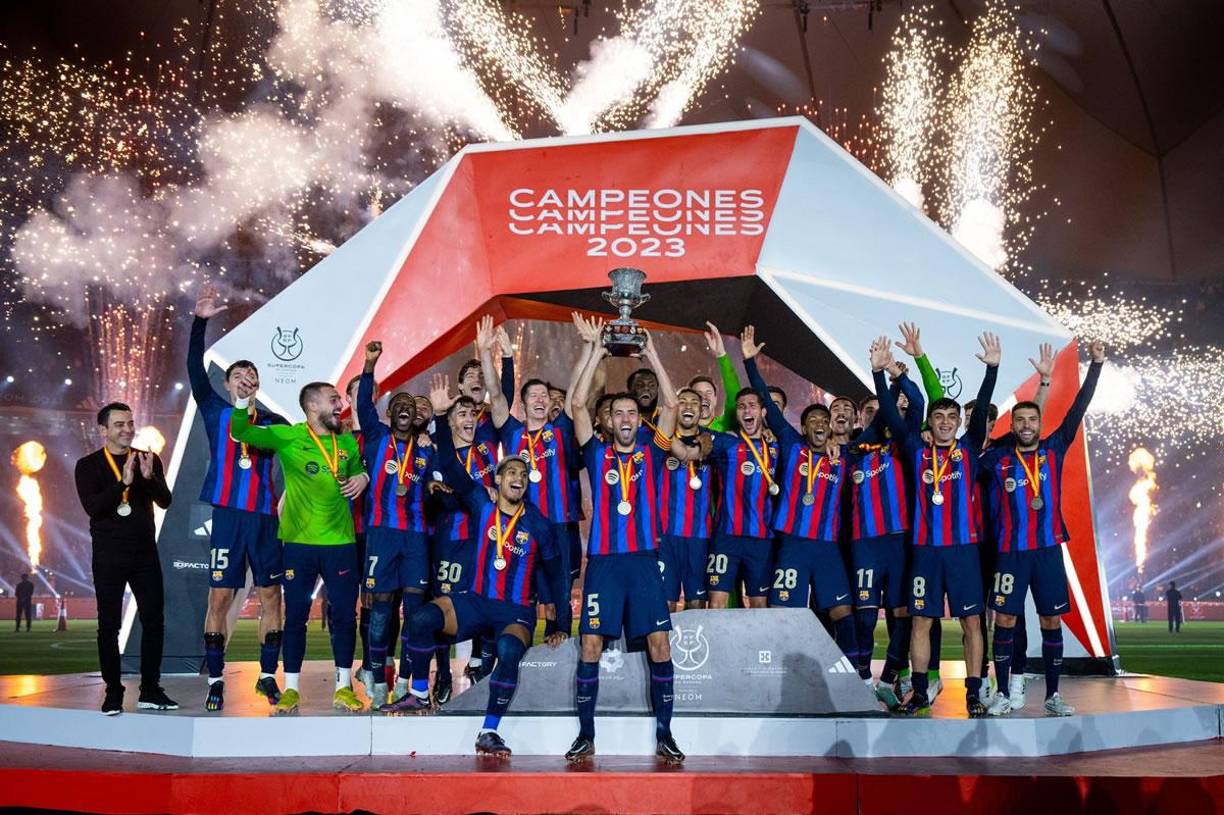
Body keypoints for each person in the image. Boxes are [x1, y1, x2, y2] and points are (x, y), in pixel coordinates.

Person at [398, 414, 569, 757]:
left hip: (515, 612)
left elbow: (557, 572)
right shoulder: (481, 504)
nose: (518, 477)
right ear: (498, 479)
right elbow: (449, 462)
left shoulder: (539, 524)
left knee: (507, 653)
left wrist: (558, 622)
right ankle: (418, 692)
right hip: (475, 603)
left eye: (523, 474)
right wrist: (443, 421)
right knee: (419, 619)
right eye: (511, 473)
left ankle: (489, 730)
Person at [565, 313, 683, 763]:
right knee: (591, 645)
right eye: (618, 413)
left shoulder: (654, 451)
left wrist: (651, 353)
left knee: (660, 645)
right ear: (609, 421)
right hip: (606, 563)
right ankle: (586, 735)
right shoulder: (595, 451)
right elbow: (577, 407)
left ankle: (666, 734)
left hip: (644, 560)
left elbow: (670, 406)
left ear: (639, 418)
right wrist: (595, 349)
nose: (627, 418)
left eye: (633, 412)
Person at [872, 331, 1000, 717]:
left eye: (952, 417)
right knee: (920, 624)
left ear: (961, 423)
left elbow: (982, 410)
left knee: (973, 624)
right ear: (929, 421)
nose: (945, 422)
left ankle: (974, 692)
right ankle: (922, 691)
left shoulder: (969, 447)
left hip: (963, 551)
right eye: (939, 417)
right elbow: (892, 414)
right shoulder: (914, 449)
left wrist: (992, 369)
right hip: (925, 552)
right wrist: (880, 374)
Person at [231, 382, 370, 715]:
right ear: (311, 405)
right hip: (298, 544)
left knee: (345, 619)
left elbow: (358, 470)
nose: (340, 405)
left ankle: (343, 688)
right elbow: (240, 432)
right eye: (334, 399)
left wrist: (363, 477)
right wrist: (241, 400)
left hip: (340, 543)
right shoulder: (288, 436)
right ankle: (291, 688)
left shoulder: (347, 441)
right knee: (294, 617)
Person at [982, 340, 1104, 718]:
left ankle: (1052, 694)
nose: (1027, 425)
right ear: (1012, 426)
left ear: (1039, 423)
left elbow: (1078, 408)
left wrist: (1096, 366)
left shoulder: (1056, 447)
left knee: (1051, 620)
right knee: (1005, 619)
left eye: (1032, 420)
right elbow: (972, 442)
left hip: (1048, 550)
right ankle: (1002, 693)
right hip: (1010, 552)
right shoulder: (998, 457)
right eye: (1019, 421)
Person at [190, 283, 289, 712]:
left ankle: (267, 677)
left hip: (264, 518)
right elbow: (195, 367)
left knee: (271, 598)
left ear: (258, 383)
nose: (247, 378)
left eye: (253, 374)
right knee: (220, 599)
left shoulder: (273, 421)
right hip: (228, 515)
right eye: (239, 374)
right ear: (229, 383)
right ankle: (215, 679)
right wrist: (200, 322)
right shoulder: (215, 411)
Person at [739, 327, 857, 661]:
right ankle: (780, 674)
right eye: (813, 420)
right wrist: (750, 361)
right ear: (803, 428)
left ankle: (854, 676)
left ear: (830, 427)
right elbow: (767, 405)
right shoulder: (791, 447)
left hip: (827, 547)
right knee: (784, 611)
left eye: (825, 420)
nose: (820, 424)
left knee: (841, 611)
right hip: (792, 544)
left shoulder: (843, 455)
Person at [74, 402, 178, 715]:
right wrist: (124, 482)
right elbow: (94, 507)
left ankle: (150, 689)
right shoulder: (88, 465)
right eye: (119, 424)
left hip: (145, 552)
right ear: (103, 430)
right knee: (108, 626)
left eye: (130, 423)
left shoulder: (148, 458)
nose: (127, 429)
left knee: (154, 622)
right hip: (108, 555)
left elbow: (165, 501)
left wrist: (148, 478)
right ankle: (114, 691)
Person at [355, 341, 437, 712]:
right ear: (390, 414)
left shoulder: (427, 447)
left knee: (416, 613)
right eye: (398, 406)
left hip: (418, 536)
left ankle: (406, 680)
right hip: (382, 534)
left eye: (410, 407)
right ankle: (376, 679)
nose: (404, 409)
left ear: (416, 418)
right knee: (381, 610)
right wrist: (370, 364)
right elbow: (361, 407)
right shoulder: (375, 438)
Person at [843, 357, 925, 709]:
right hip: (864, 543)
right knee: (864, 614)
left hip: (899, 542)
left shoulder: (905, 445)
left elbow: (917, 403)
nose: (882, 415)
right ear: (864, 418)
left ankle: (891, 674)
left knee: (902, 613)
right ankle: (862, 676)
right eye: (873, 412)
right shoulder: (851, 452)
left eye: (885, 410)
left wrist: (894, 376)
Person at [481, 316, 586, 588]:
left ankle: (561, 630)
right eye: (534, 395)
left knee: (560, 588)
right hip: (523, 521)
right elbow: (495, 394)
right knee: (524, 585)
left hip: (559, 521)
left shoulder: (561, 430)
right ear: (524, 403)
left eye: (544, 396)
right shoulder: (512, 431)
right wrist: (485, 352)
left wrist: (588, 347)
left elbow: (575, 390)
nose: (540, 399)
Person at [426, 375, 502, 701]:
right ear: (451, 423)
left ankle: (477, 666)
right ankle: (442, 673)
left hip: (482, 544)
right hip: (449, 542)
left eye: (472, 414)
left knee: (485, 604)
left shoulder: (486, 451)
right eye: (461, 415)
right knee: (444, 606)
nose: (469, 419)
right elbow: (436, 498)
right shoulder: (439, 455)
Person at [658, 387, 715, 611]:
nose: (688, 406)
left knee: (697, 603)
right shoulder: (659, 440)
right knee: (665, 603)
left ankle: (696, 647)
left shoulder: (715, 441)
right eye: (682, 401)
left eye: (694, 402)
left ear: (702, 411)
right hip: (666, 536)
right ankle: (664, 647)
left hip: (699, 537)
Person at [693, 322, 744, 432]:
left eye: (709, 393)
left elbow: (734, 394)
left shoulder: (724, 426)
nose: (704, 397)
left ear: (716, 399)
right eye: (698, 393)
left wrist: (721, 354)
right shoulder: (677, 429)